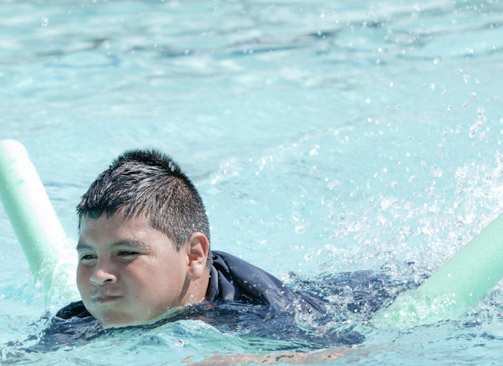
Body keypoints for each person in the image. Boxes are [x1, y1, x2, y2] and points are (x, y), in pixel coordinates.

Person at [31, 149, 405, 351]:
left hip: (374, 298)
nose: (99, 275)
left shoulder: (256, 315)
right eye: (87, 256)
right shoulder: (79, 320)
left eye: (126, 253)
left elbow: (363, 355)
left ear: (194, 256)